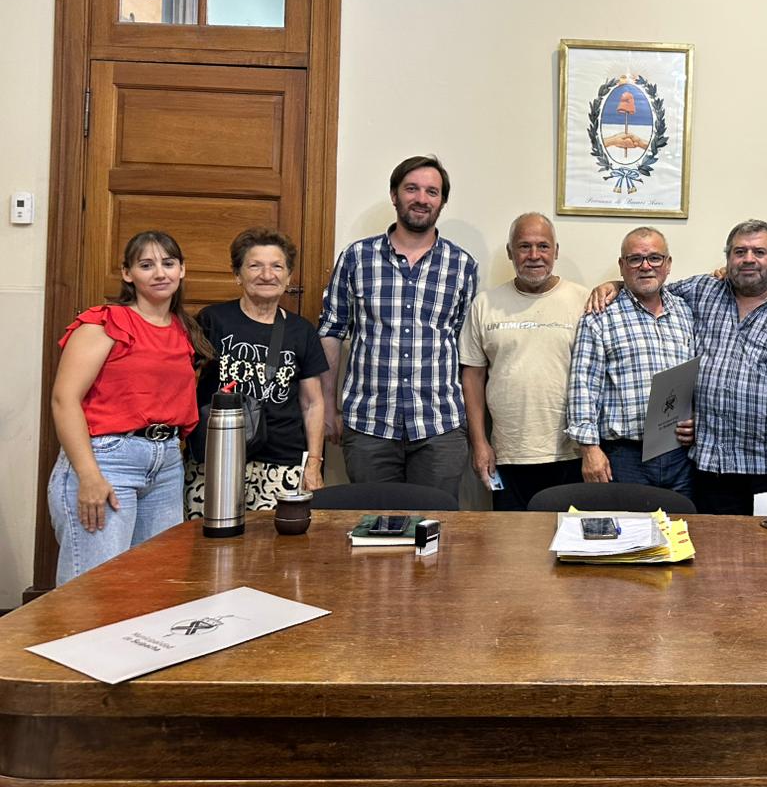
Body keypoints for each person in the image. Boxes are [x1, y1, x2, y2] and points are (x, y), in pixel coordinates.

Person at [589, 219, 767, 515]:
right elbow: (651, 286)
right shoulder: (703, 291)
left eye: (759, 252)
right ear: (728, 258)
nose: (748, 259)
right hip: (709, 467)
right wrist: (616, 285)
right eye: (739, 252)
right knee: (711, 543)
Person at [47, 230, 213, 585]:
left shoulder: (183, 329)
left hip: (166, 465)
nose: (160, 273)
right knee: (94, 590)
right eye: (146, 265)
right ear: (127, 274)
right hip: (108, 461)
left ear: (182, 269)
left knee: (154, 587)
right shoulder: (105, 322)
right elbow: (64, 400)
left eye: (168, 263)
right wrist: (89, 475)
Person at [318, 156, 477, 496]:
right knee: (372, 524)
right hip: (369, 426)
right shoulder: (356, 257)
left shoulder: (462, 265)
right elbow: (331, 332)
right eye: (411, 189)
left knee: (435, 524)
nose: (421, 198)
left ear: (442, 201)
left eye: (432, 191)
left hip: (440, 427)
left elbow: (467, 349)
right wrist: (328, 407)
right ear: (394, 195)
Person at [184, 228, 328, 518]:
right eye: (255, 266)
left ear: (288, 276)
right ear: (237, 274)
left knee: (274, 545)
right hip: (215, 460)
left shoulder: (301, 330)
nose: (267, 275)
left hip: (281, 463)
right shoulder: (213, 320)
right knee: (205, 542)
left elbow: (313, 403)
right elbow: (181, 381)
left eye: (277, 266)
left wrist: (313, 464)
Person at [460, 213, 587, 510]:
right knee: (510, 537)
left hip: (570, 452)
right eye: (524, 246)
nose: (534, 255)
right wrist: (479, 443)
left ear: (556, 251)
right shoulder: (485, 304)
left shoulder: (583, 300)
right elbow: (472, 378)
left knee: (566, 537)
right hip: (508, 453)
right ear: (510, 252)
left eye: (543, 246)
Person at [566, 227, 697, 497]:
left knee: (683, 524)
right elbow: (583, 387)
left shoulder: (685, 312)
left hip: (681, 456)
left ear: (668, 264)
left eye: (655, 258)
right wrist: (589, 450)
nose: (646, 266)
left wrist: (697, 420)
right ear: (622, 265)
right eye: (635, 259)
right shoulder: (600, 316)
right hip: (625, 458)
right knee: (629, 526)